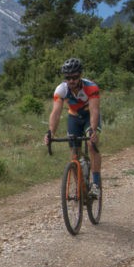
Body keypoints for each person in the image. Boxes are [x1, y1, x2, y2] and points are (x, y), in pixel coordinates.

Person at [44, 57, 102, 198]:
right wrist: (51, 132)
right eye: (68, 78)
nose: (71, 81)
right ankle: (79, 187)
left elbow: (94, 111)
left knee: (90, 143)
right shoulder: (61, 89)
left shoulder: (91, 87)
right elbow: (56, 112)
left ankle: (95, 185)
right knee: (74, 152)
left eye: (75, 77)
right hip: (74, 117)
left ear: (80, 75)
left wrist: (93, 131)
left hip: (89, 116)